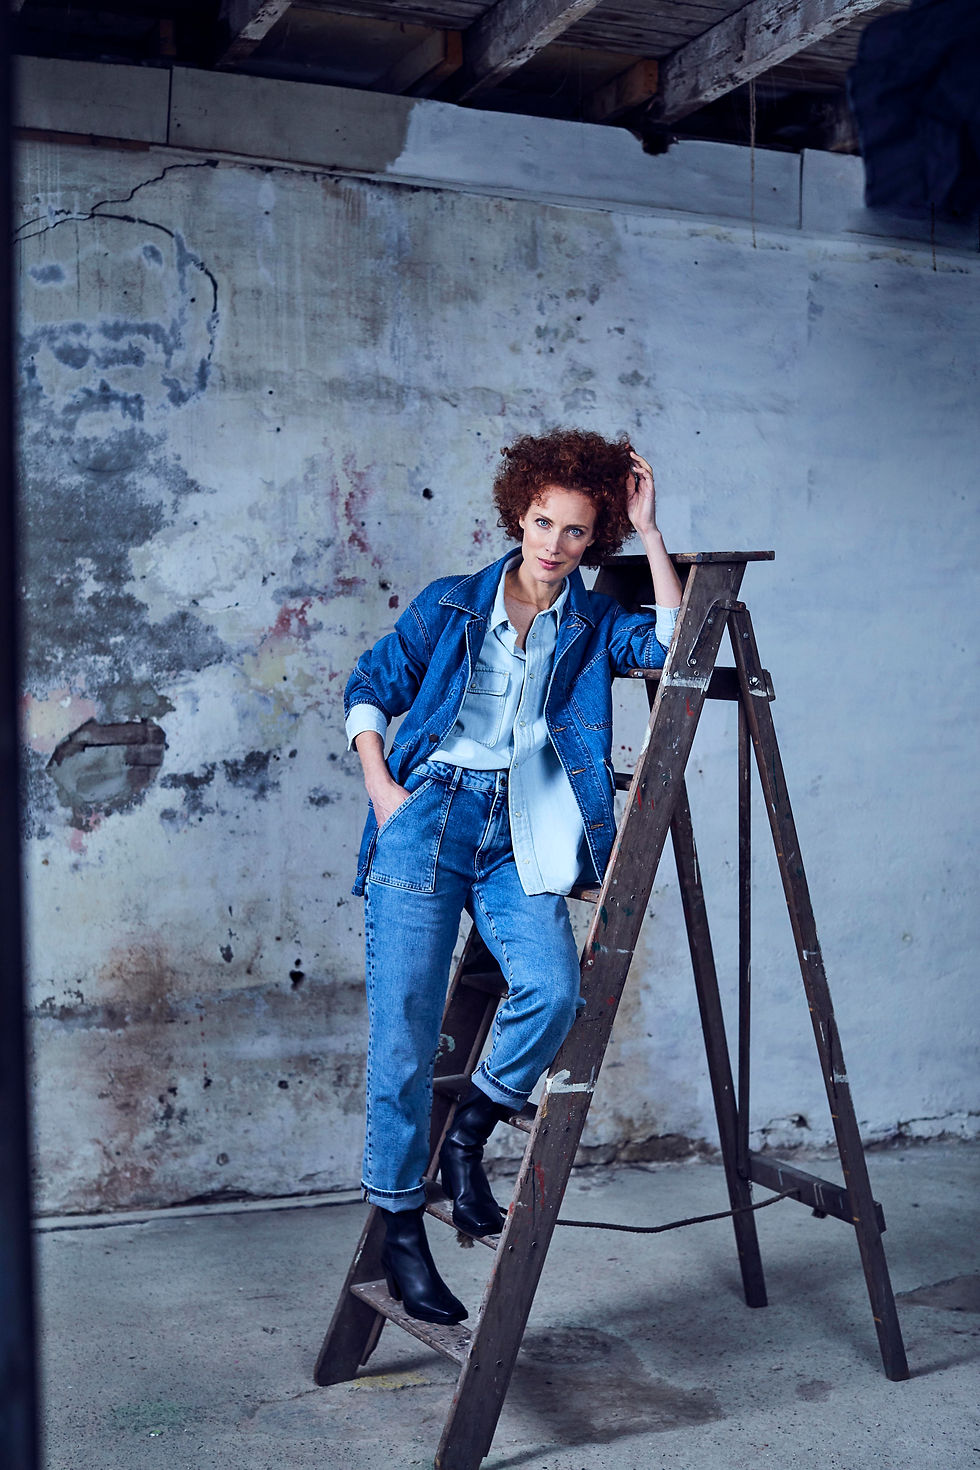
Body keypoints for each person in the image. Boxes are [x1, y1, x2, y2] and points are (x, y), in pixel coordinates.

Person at [344, 428, 682, 1326]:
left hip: (519, 831)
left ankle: (469, 1137)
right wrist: (383, 790)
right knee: (404, 1043)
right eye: (542, 521)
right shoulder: (451, 603)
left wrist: (651, 532)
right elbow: (369, 686)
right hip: (427, 821)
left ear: (594, 540)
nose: (554, 544)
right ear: (518, 514)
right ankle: (403, 1233)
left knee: (553, 990)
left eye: (577, 530)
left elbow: (674, 648)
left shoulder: (595, 624)